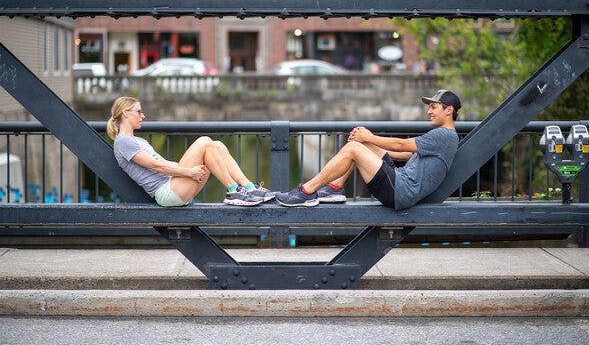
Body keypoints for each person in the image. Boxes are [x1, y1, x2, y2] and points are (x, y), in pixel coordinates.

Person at [274, 90, 461, 209]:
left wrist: (369, 137)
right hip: (400, 183)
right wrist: (367, 142)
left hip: (400, 191)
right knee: (360, 145)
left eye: (433, 107)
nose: (429, 112)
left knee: (355, 147)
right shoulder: (443, 136)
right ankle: (334, 189)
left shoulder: (444, 135)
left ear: (448, 110)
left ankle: (306, 192)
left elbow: (401, 145)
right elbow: (406, 154)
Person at [107, 96, 274, 207]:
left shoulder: (138, 141)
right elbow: (156, 166)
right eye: (138, 111)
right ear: (125, 114)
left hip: (176, 186)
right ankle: (233, 191)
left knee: (216, 145)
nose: (142, 115)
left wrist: (190, 170)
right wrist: (189, 172)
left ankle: (249, 188)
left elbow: (164, 163)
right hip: (167, 193)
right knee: (204, 141)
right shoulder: (123, 142)